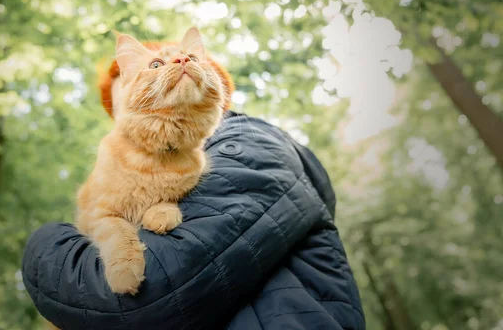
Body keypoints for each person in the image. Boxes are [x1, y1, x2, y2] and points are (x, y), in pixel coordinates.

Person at [21, 56, 366, 330]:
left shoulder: (246, 141)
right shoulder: (138, 160)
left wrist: (46, 244)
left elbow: (140, 300)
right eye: (121, 102)